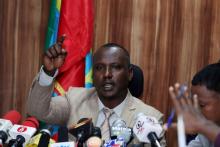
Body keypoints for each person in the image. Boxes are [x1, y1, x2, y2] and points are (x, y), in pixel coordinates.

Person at [27, 37, 166, 146]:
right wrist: (48, 72)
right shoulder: (75, 99)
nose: (106, 74)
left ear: (129, 74)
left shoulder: (150, 118)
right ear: (93, 75)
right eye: (99, 68)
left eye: (115, 67)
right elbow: (37, 110)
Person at [168, 62, 220, 147]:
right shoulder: (207, 131)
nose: (196, 110)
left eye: (202, 105)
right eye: (194, 102)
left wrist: (203, 126)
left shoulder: (206, 126)